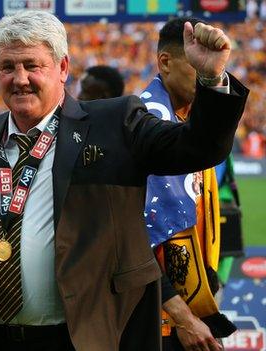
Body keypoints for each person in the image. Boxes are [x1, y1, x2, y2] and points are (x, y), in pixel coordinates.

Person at [0, 10, 248, 351]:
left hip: (81, 339)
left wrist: (211, 80)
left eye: (32, 65)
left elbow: (198, 148)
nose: (20, 78)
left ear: (62, 69)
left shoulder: (113, 123)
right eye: (8, 67)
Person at [141, 17, 237, 351]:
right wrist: (184, 318)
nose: (204, 72)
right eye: (195, 64)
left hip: (192, 303)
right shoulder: (150, 122)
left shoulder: (188, 119)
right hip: (162, 320)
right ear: (165, 62)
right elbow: (139, 237)